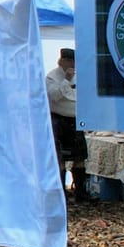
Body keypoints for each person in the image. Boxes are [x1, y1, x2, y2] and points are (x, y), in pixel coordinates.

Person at [46, 47, 86, 202]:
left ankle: (81, 193)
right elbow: (54, 96)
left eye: (73, 61)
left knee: (80, 158)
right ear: (60, 60)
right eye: (68, 60)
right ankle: (60, 193)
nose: (71, 64)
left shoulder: (80, 76)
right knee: (60, 158)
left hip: (75, 120)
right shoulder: (51, 77)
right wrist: (66, 81)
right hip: (58, 119)